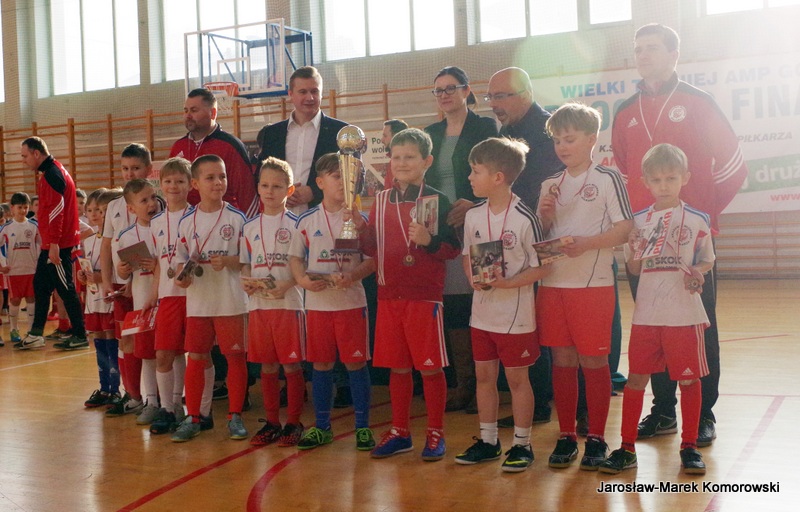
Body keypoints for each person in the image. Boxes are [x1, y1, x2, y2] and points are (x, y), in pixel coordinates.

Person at [612, 23, 748, 446]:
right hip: (645, 241)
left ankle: (703, 413)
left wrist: (702, 217)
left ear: (674, 55)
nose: (643, 55)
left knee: (698, 326)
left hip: (690, 244)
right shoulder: (625, 110)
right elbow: (624, 170)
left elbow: (733, 165)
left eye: (652, 48)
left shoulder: (698, 101)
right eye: (638, 49)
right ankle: (663, 411)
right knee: (652, 324)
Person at [599, 143, 714, 475]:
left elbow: (706, 260)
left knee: (689, 381)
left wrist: (697, 273)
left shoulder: (698, 220)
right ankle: (626, 448)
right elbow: (634, 269)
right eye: (657, 179)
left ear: (685, 178)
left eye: (671, 178)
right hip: (648, 315)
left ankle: (689, 446)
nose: (664, 185)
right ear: (646, 182)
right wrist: (634, 250)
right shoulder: (638, 222)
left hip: (684, 315)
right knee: (636, 380)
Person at [352, 128, 461, 461]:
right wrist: (360, 227)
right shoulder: (380, 199)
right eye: (396, 157)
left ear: (427, 161)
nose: (401, 163)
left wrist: (429, 241)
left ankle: (435, 432)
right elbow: (373, 248)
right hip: (388, 296)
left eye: (410, 157)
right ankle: (400, 431)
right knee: (397, 368)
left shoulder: (436, 200)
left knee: (429, 368)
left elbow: (452, 249)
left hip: (423, 297)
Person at [535, 103, 633, 470]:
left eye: (570, 139)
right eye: (557, 140)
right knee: (562, 360)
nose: (562, 146)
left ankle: (596, 437)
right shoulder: (549, 185)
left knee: (593, 361)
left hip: (593, 286)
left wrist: (588, 243)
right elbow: (540, 239)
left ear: (592, 139)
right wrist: (544, 218)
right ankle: (565, 435)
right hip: (554, 285)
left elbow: (625, 229)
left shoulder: (607, 179)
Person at [454, 137, 549, 473]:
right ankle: (489, 441)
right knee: (484, 377)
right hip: (482, 314)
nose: (469, 177)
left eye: (475, 171)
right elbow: (467, 256)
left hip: (515, 317)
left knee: (517, 380)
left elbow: (543, 267)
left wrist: (509, 283)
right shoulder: (473, 216)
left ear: (498, 177)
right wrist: (472, 277)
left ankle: (522, 445)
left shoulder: (524, 217)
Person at [486, 67, 562, 426]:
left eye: (500, 96)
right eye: (491, 97)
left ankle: (547, 403)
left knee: (541, 322)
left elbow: (541, 190)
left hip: (544, 236)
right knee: (523, 319)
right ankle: (533, 402)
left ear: (525, 94)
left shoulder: (547, 131)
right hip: (515, 237)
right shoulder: (506, 132)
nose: (493, 104)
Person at [289, 153, 376, 451]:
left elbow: (372, 260)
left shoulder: (360, 219)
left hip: (351, 303)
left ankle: (362, 428)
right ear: (320, 182)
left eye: (349, 178)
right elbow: (295, 258)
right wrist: (302, 281)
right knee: (321, 364)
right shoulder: (306, 220)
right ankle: (322, 427)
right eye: (337, 176)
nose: (343, 183)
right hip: (318, 306)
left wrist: (352, 275)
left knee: (355, 364)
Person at [424, 66, 498, 413]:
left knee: (486, 294)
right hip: (445, 229)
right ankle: (465, 383)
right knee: (454, 304)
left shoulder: (485, 128)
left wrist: (475, 204)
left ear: (467, 91)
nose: (444, 95)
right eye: (438, 90)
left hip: (482, 222)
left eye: (450, 88)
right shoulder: (430, 133)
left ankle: (490, 384)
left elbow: (500, 175)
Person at [171, 155, 249, 443]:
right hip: (199, 302)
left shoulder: (237, 218)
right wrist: (183, 276)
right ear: (195, 184)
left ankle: (235, 416)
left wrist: (229, 261)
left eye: (222, 176)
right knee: (196, 357)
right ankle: (194, 417)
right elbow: (179, 261)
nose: (218, 182)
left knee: (234, 357)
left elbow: (249, 259)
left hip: (230, 300)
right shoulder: (186, 221)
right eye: (210, 177)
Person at [240, 157, 305, 447]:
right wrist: (246, 281)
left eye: (277, 186)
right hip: (259, 307)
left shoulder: (297, 224)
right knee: (267, 366)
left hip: (288, 304)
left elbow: (303, 265)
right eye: (265, 185)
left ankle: (293, 422)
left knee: (290, 366)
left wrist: (288, 284)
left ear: (289, 191)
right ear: (258, 188)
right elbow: (245, 263)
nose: (270, 191)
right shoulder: (249, 226)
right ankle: (272, 422)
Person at [18, 137, 88, 350]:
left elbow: (57, 211)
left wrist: (54, 243)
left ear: (36, 153)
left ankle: (80, 335)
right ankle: (36, 333)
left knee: (66, 289)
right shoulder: (53, 171)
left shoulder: (52, 175)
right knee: (40, 285)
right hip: (51, 243)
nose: (23, 160)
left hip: (58, 244)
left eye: (25, 156)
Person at [101, 144, 152, 418]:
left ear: (148, 169)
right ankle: (133, 395)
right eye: (125, 169)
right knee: (126, 341)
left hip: (148, 284)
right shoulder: (113, 206)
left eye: (135, 168)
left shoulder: (155, 203)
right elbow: (106, 244)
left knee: (152, 342)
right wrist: (107, 280)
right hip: (121, 285)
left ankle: (159, 399)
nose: (129, 174)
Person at [257, 66, 348, 214]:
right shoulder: (272, 134)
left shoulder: (340, 132)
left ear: (321, 93)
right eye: (303, 92)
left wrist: (314, 191)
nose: (310, 98)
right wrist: (281, 192)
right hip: (281, 218)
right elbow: (260, 176)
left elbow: (355, 178)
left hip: (326, 217)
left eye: (314, 91)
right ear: (291, 94)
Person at [143, 158, 191, 435]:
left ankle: (190, 407)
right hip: (168, 297)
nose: (174, 186)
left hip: (194, 296)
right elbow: (161, 262)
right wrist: (153, 294)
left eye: (180, 181)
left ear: (190, 184)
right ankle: (168, 408)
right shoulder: (157, 222)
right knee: (164, 354)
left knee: (196, 354)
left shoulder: (196, 216)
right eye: (168, 181)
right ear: (160, 185)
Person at [115, 179, 162, 425]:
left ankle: (173, 402)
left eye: (153, 197)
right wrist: (122, 271)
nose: (151, 204)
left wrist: (157, 266)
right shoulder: (126, 236)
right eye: (144, 200)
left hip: (166, 302)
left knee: (171, 353)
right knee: (147, 355)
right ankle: (152, 401)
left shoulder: (165, 227)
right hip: (142, 305)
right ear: (131, 208)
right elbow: (124, 274)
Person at [170, 88, 258, 218]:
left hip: (224, 223)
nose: (188, 115)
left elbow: (247, 194)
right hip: (186, 223)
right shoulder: (178, 146)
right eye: (186, 110)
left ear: (213, 113)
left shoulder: (230, 146)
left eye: (194, 110)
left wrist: (251, 226)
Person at [78, 188, 120, 408]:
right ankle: (104, 388)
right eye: (90, 210)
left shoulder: (115, 239)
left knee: (112, 340)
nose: (94, 214)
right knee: (99, 340)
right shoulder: (88, 240)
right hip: (93, 299)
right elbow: (89, 268)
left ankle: (116, 389)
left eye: (99, 210)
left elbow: (119, 273)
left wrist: (101, 278)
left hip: (109, 298)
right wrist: (83, 276)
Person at [1, 193, 40, 346]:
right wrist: (1, 266)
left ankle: (30, 330)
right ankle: (13, 329)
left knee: (31, 299)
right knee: (15, 300)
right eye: (19, 207)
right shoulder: (6, 228)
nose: (23, 210)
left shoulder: (34, 226)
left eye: (25, 207)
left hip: (31, 270)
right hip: (14, 271)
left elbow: (42, 244)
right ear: (12, 208)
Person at [381, 119, 409, 189]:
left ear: (396, 137)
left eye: (385, 136)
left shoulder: (406, 163)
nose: (382, 140)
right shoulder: (392, 162)